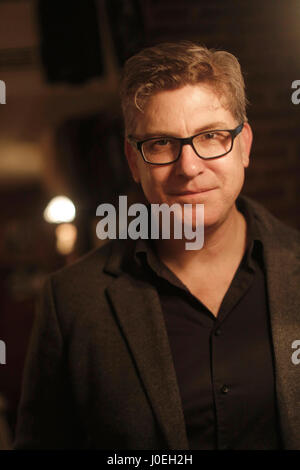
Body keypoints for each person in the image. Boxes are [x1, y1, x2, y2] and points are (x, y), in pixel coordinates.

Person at [14, 41, 300, 450]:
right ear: (133, 162)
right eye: (162, 143)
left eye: (212, 135)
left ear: (244, 144)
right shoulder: (73, 301)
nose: (189, 166)